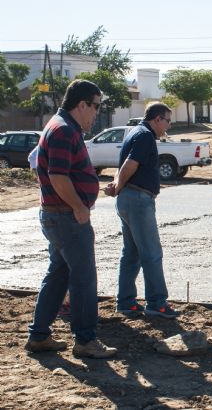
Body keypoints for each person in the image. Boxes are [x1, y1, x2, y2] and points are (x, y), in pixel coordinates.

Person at [25, 79, 117, 359]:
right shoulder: (64, 130)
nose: (97, 113)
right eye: (96, 107)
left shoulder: (60, 126)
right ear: (82, 104)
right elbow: (57, 176)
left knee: (59, 274)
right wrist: (79, 206)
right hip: (66, 217)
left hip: (58, 216)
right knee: (84, 278)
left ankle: (39, 336)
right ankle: (85, 340)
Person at [105, 103, 179, 318]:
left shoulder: (134, 132)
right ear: (157, 119)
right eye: (167, 120)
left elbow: (124, 165)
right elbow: (130, 164)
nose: (168, 126)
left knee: (131, 253)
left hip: (128, 198)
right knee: (152, 253)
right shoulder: (145, 135)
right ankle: (157, 303)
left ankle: (126, 302)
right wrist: (117, 186)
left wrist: (117, 185)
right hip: (138, 199)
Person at [29, 145, 72, 321]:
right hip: (61, 212)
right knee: (66, 265)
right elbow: (34, 161)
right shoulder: (60, 136)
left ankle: (59, 305)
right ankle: (64, 303)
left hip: (59, 211)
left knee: (60, 264)